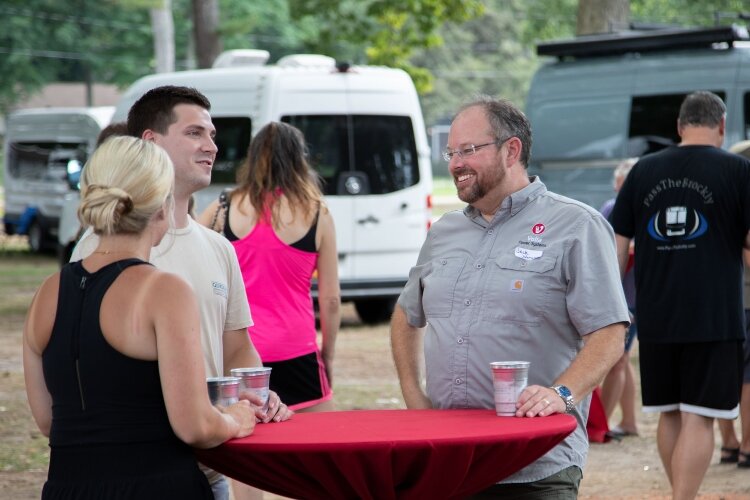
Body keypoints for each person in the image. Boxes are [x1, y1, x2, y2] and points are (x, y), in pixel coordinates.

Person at [390, 95, 629, 498]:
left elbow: (609, 333)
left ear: (511, 150)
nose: (454, 164)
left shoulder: (576, 225)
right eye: (451, 152)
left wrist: (561, 394)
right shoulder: (444, 232)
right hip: (449, 462)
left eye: (468, 150)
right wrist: (416, 397)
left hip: (534, 464)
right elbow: (405, 314)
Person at [71, 86, 293, 500]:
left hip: (213, 473)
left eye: (211, 135)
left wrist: (258, 396)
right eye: (195, 133)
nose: (211, 145)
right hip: (137, 472)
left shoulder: (218, 246)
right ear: (151, 143)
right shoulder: (97, 247)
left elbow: (237, 348)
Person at [23, 136, 256, 499]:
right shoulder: (164, 292)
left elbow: (49, 421)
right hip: (158, 485)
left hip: (66, 488)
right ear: (162, 205)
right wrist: (237, 418)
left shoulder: (47, 294)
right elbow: (194, 425)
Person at [610, 91, 750, 499]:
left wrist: (614, 305)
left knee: (668, 413)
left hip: (656, 313)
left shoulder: (642, 171)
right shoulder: (738, 170)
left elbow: (618, 246)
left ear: (679, 127)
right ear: (722, 126)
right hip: (714, 315)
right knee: (700, 417)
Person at [198, 121, 340, 413]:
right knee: (314, 446)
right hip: (297, 349)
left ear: (252, 159)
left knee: (245, 443)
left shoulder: (223, 206)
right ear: (299, 160)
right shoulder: (317, 212)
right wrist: (328, 355)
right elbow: (331, 299)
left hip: (238, 353)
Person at [599, 158, 640, 438]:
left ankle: (602, 427)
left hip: (632, 298)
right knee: (621, 360)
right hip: (624, 297)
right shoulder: (611, 210)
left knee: (619, 361)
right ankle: (627, 422)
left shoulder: (639, 211)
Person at [717, 139, 750, 467]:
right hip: (744, 300)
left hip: (723, 300)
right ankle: (746, 447)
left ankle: (729, 443)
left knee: (726, 374)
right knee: (746, 378)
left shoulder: (724, 192)